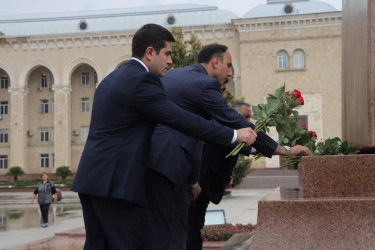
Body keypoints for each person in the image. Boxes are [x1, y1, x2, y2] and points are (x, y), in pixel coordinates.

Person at [70, 24, 256, 250]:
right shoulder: (143, 81)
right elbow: (181, 119)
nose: (170, 61)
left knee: (98, 246)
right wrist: (233, 134)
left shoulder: (112, 79)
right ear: (150, 53)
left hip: (91, 179)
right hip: (115, 183)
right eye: (167, 54)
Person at [146, 43, 312, 249]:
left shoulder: (178, 75)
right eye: (229, 65)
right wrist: (284, 150)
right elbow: (236, 123)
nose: (231, 73)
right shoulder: (205, 84)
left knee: (173, 231)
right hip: (170, 169)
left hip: (155, 165)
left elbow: (196, 134)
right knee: (183, 232)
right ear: (216, 62)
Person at [186, 100, 256, 250]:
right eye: (245, 116)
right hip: (197, 185)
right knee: (191, 227)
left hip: (204, 186)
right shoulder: (222, 128)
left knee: (195, 226)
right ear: (233, 114)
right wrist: (279, 148)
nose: (248, 121)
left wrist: (227, 176)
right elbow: (240, 147)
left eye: (250, 117)